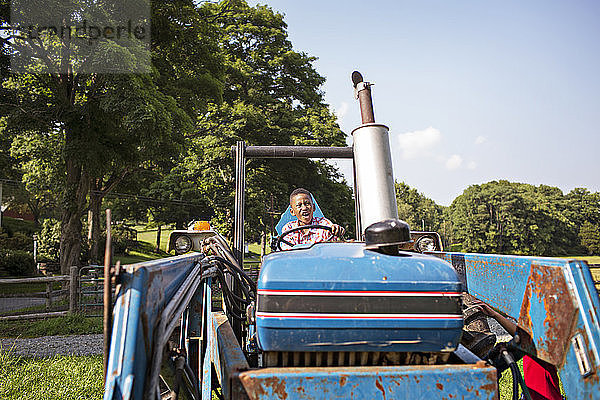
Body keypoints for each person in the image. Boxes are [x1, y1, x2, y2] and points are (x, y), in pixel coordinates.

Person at [471, 298, 563, 400]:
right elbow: (520, 336)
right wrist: (495, 316)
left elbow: (523, 336)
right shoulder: (531, 344)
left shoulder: (543, 346)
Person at [279, 188, 345, 249]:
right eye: (299, 205)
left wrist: (337, 230)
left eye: (307, 204)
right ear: (292, 212)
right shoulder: (288, 228)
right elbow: (288, 254)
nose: (304, 208)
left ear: (313, 207)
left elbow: (333, 247)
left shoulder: (324, 224)